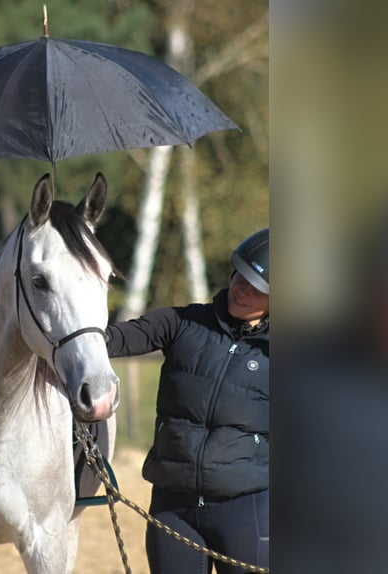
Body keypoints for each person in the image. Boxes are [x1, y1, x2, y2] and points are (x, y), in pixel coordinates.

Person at [106, 228, 269, 574]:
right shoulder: (181, 322)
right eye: (242, 278)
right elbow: (109, 340)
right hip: (173, 508)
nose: (243, 291)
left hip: (246, 510)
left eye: (258, 289)